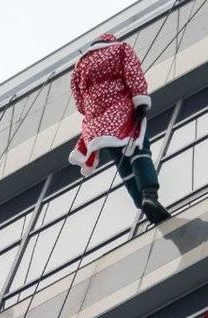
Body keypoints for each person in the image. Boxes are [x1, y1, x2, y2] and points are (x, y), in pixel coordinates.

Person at [68, 32, 171, 225]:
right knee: (139, 150)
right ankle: (149, 194)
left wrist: (96, 110)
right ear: (110, 41)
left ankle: (141, 203)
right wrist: (140, 101)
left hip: (96, 126)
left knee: (122, 162)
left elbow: (80, 104)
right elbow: (133, 74)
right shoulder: (120, 49)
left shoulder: (79, 67)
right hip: (122, 113)